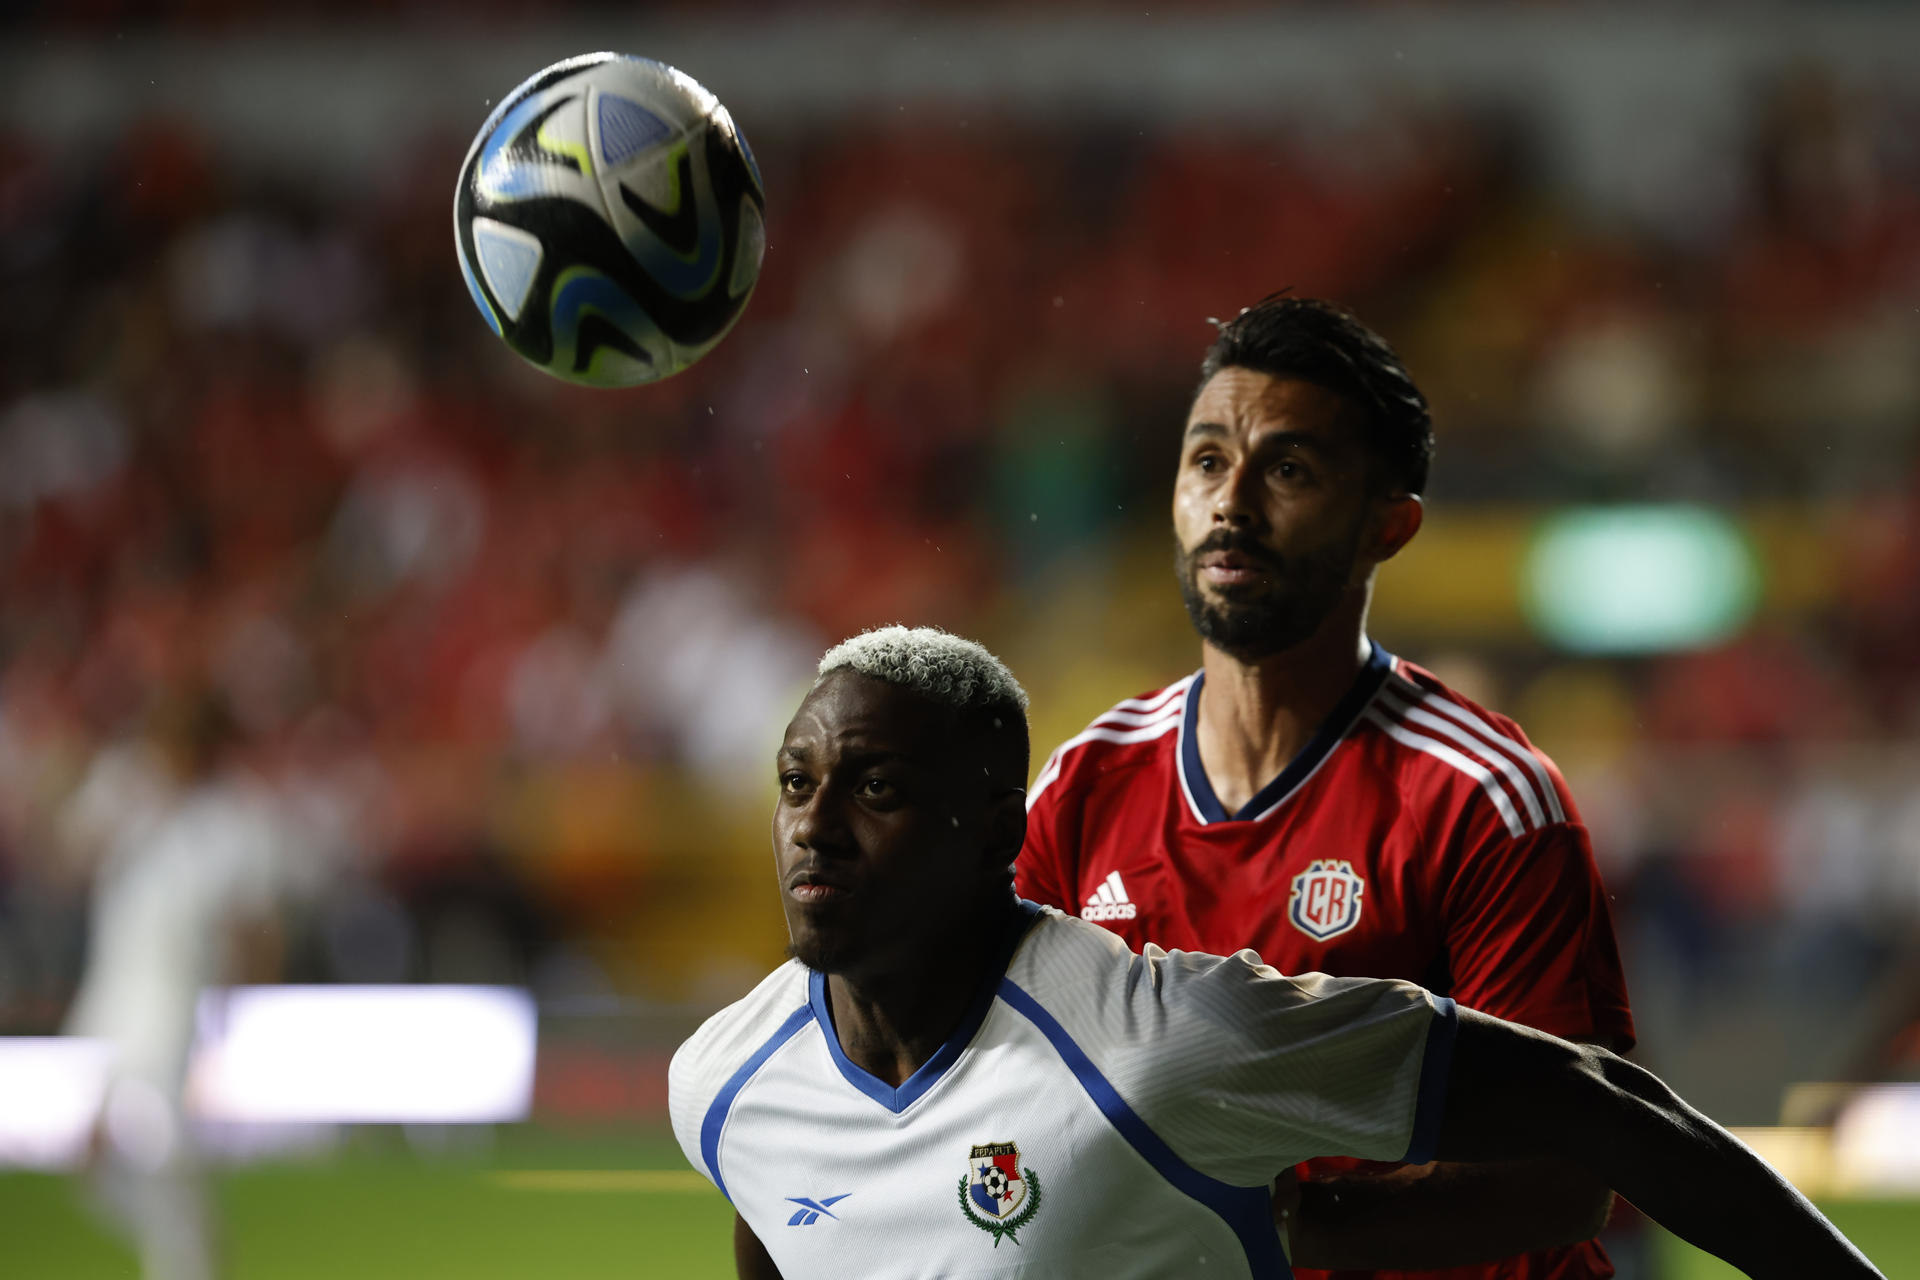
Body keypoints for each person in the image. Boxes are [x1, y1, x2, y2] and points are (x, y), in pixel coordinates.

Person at [669, 626, 1882, 1280]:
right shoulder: (720, 1080)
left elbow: (1605, 1109)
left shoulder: (1165, 1038)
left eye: (874, 786)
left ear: (999, 821)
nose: (815, 824)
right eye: (795, 783)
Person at [1016, 296, 1633, 1277]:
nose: (1233, 502)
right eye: (1208, 459)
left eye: (1290, 468)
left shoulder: (1486, 800)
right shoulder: (1081, 787)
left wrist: (1268, 1222)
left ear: (1389, 524)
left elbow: (1567, 1172)